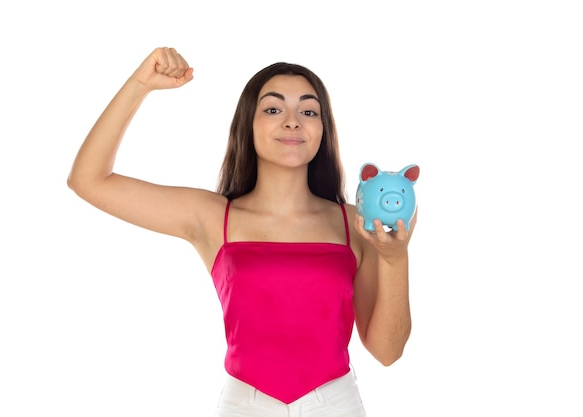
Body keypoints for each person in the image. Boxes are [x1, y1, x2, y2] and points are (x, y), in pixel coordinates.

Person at [67, 46, 416, 417]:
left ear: (322, 130)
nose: (292, 121)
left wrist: (395, 259)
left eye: (308, 111)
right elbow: (88, 180)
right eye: (273, 108)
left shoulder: (354, 222)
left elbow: (387, 351)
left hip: (335, 405)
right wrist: (140, 84)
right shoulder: (213, 216)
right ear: (247, 125)